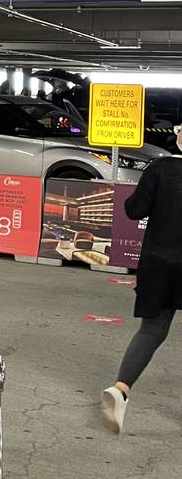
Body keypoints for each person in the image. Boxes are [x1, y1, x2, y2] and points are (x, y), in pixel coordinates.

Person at [102, 126, 182, 434]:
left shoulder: (160, 168)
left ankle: (121, 389)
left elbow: (134, 211)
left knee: (152, 330)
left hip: (158, 263)